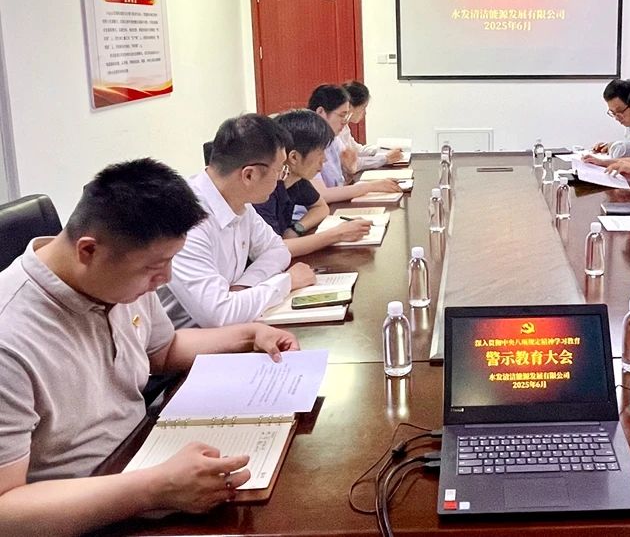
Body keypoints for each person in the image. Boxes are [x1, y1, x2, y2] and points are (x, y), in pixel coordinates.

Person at [0, 159, 300, 535]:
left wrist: (248, 335)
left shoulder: (118, 278)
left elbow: (162, 350)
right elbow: (6, 510)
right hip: (85, 512)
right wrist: (155, 488)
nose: (165, 278)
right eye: (154, 267)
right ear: (88, 251)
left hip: (143, 455)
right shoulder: (10, 336)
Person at [161, 114, 316, 328]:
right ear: (249, 175)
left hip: (229, 329)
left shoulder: (237, 201)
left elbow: (277, 249)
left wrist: (244, 286)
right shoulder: (186, 219)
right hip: (187, 340)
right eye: (280, 170)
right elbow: (219, 316)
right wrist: (286, 283)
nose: (281, 178)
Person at [254, 109, 372, 256]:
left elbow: (320, 207)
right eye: (320, 153)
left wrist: (296, 229)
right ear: (294, 158)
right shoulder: (263, 191)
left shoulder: (296, 180)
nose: (325, 159)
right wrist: (337, 234)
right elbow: (273, 250)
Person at [307, 84, 402, 203]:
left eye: (347, 116)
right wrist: (371, 186)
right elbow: (323, 195)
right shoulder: (306, 142)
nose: (345, 122)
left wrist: (350, 168)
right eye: (342, 115)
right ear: (321, 112)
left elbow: (347, 173)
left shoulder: (334, 139)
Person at [342, 81, 403, 173]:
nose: (365, 113)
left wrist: (383, 149)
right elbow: (352, 164)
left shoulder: (344, 126)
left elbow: (357, 150)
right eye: (363, 108)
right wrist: (385, 158)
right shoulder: (334, 129)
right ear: (350, 107)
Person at [590, 78, 630, 158]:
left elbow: (620, 154)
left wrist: (612, 145)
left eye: (620, 111)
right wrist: (609, 146)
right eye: (613, 113)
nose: (617, 118)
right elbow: (628, 145)